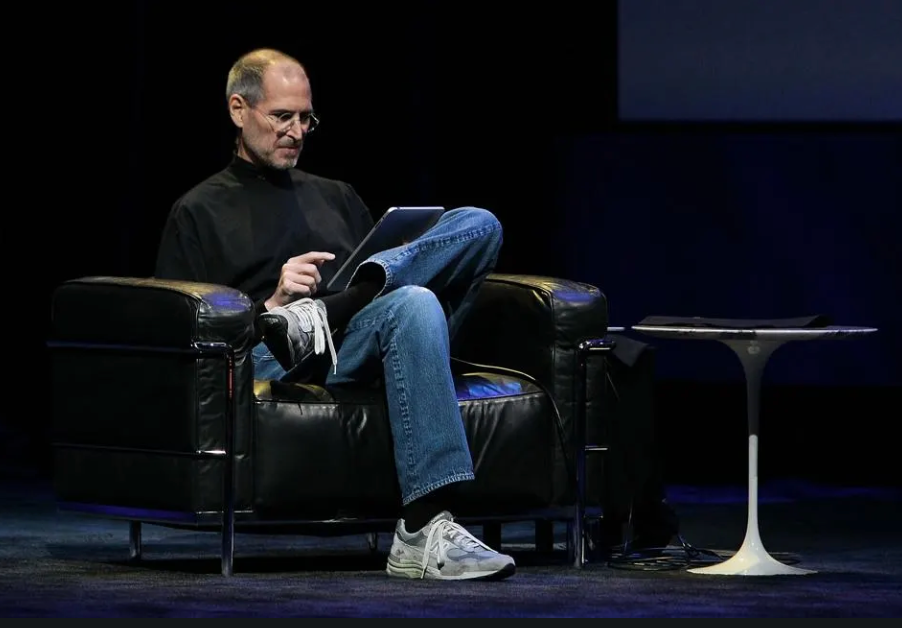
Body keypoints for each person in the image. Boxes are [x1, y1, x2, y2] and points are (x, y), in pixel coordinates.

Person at [153, 47, 514, 581]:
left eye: (305, 118)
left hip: (353, 339)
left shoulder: (337, 195)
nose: (296, 131)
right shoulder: (198, 210)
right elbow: (179, 331)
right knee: (413, 302)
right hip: (273, 354)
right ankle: (423, 528)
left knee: (479, 224)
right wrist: (272, 304)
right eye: (281, 117)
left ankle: (330, 309)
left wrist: (333, 305)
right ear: (238, 109)